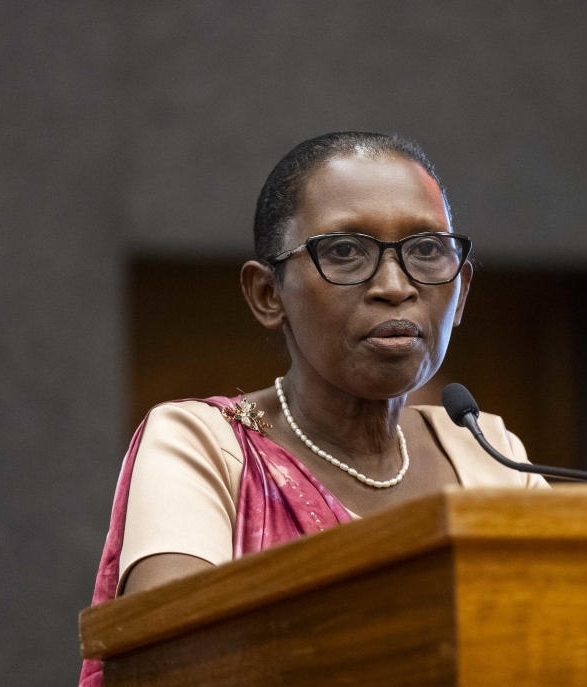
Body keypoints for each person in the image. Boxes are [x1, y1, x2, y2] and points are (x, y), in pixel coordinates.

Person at [79, 131, 547, 685]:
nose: (395, 286)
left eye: (426, 250)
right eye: (345, 252)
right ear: (267, 295)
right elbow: (177, 668)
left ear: (461, 291)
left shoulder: (489, 454)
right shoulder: (201, 444)